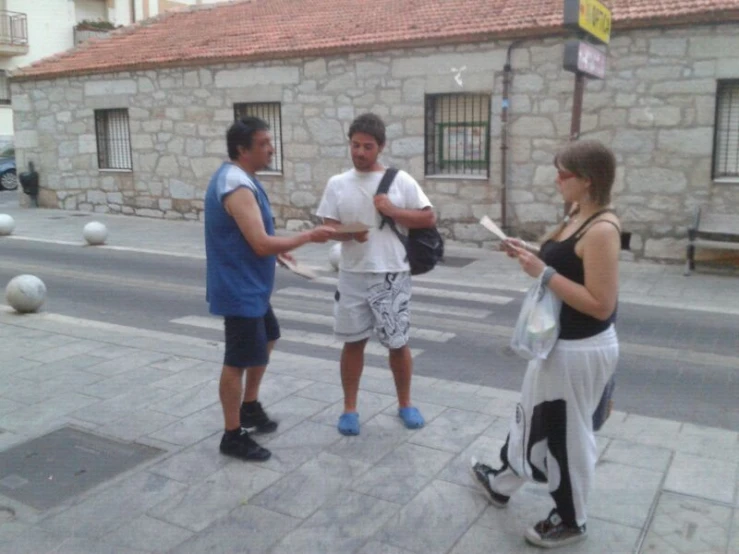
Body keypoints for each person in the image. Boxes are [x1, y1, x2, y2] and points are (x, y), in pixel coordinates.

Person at [470, 140, 621, 549]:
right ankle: (501, 482)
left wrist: (543, 272)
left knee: (567, 435)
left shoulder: (603, 229)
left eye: (563, 173)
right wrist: (528, 253)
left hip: (580, 349)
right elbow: (560, 262)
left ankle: (572, 520)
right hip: (557, 344)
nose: (556, 179)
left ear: (587, 181)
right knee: (531, 417)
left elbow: (600, 305)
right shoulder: (578, 214)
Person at [205, 116, 335, 461]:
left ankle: (249, 406)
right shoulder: (236, 186)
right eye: (263, 143)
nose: (271, 149)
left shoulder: (241, 179)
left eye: (269, 142)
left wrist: (282, 252)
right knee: (236, 360)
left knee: (268, 337)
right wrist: (309, 236)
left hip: (252, 285)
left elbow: (255, 241)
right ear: (242, 149)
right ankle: (232, 435)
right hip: (239, 288)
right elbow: (260, 243)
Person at [316, 112, 436, 436]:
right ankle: (349, 409)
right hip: (352, 273)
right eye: (355, 145)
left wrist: (393, 211)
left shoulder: (402, 180)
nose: (359, 152)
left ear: (380, 147)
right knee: (352, 343)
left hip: (392, 272)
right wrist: (349, 234)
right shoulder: (337, 184)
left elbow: (428, 218)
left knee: (398, 343)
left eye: (367, 146)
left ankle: (405, 404)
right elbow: (327, 228)